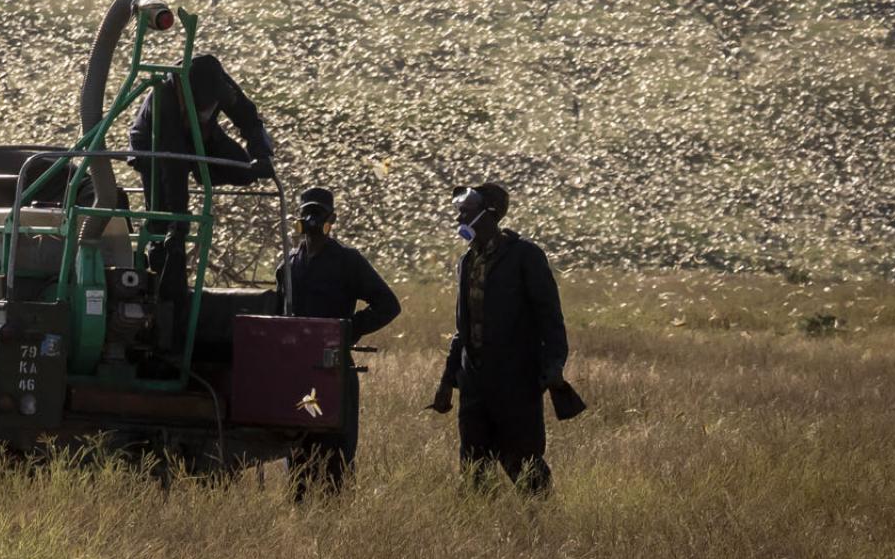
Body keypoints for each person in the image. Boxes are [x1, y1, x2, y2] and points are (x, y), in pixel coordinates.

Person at [428, 182, 575, 494]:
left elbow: (550, 318)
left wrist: (554, 366)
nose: (458, 221)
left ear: (489, 215)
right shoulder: (467, 261)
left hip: (516, 382)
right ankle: (481, 532)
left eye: (465, 213)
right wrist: (447, 381)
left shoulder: (526, 257)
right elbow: (463, 330)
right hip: (474, 382)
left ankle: (541, 528)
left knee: (524, 463)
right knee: (473, 470)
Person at [275, 186, 400, 495]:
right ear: (298, 219)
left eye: (318, 213)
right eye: (307, 213)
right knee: (299, 447)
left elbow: (388, 304)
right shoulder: (289, 264)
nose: (312, 220)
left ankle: (336, 515)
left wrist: (348, 330)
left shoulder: (348, 261)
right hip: (296, 370)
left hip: (333, 368)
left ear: (331, 219)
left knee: (336, 451)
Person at [129, 51, 274, 295]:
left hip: (199, 136)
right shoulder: (165, 98)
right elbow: (173, 167)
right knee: (163, 218)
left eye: (211, 105)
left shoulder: (221, 87)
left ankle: (175, 232)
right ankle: (163, 277)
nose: (207, 108)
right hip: (154, 147)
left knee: (245, 169)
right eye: (200, 105)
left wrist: (261, 154)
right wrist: (180, 221)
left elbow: (249, 117)